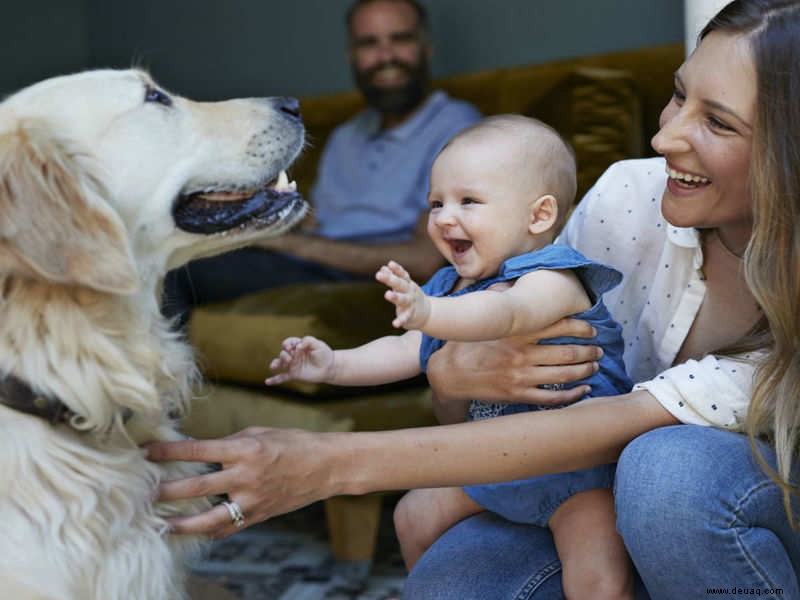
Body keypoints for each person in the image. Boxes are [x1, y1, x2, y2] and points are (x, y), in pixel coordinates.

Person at [147, 1, 800, 597]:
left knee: (668, 476)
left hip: (705, 497)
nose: (664, 139)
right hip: (564, 471)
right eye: (678, 96)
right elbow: (467, 389)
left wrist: (326, 464)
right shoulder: (628, 196)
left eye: (716, 122)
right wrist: (444, 368)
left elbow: (595, 419)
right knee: (445, 574)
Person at [266, 115, 634, 597]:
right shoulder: (449, 287)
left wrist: (429, 311)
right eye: (435, 203)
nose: (442, 217)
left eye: (468, 202)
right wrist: (332, 364)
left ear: (539, 216)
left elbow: (506, 313)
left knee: (598, 580)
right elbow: (404, 350)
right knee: (412, 515)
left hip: (576, 472)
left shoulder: (557, 278)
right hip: (493, 464)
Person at [161, 0, 481, 326]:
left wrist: (288, 244)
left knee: (177, 271)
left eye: (400, 39)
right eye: (368, 43)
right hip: (305, 263)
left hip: (363, 279)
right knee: (172, 251)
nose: (385, 56)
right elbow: (315, 220)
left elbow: (426, 259)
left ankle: (151, 377)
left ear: (426, 48)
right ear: (352, 57)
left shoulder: (457, 128)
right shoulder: (346, 135)